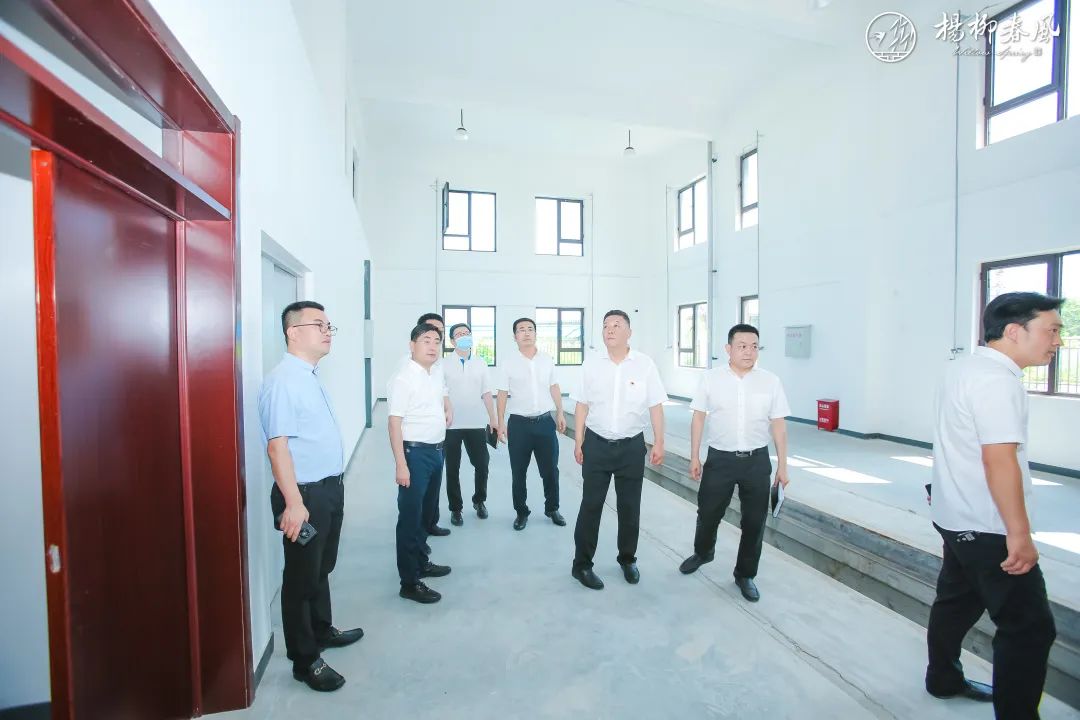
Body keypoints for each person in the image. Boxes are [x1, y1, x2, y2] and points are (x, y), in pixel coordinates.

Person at [924, 292, 1061, 717]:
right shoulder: (996, 381)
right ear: (1015, 331)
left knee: (957, 602)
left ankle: (943, 679)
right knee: (1029, 628)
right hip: (987, 525)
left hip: (954, 515)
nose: (1058, 341)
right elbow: (998, 460)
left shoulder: (963, 366)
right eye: (1052, 330)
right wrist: (1018, 534)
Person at [259, 301, 362, 692]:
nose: (327, 331)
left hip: (328, 490)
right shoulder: (283, 381)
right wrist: (293, 503)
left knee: (321, 567)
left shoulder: (309, 377)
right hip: (302, 498)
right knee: (301, 577)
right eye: (319, 325)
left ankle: (321, 629)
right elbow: (277, 447)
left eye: (329, 325)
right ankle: (305, 661)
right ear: (293, 332)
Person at [678, 324, 790, 603]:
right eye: (742, 346)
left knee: (754, 521)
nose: (748, 351)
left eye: (754, 346)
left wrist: (783, 466)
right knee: (708, 513)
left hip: (756, 461)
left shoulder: (770, 381)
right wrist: (695, 456)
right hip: (720, 459)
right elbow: (698, 417)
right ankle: (703, 552)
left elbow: (778, 424)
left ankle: (745, 574)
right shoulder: (710, 379)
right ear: (728, 349)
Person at [570, 310, 667, 590]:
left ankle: (627, 559)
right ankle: (582, 565)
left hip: (631, 447)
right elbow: (581, 405)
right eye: (605, 326)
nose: (610, 329)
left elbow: (655, 406)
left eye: (616, 325)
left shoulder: (645, 365)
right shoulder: (591, 364)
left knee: (629, 508)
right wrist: (578, 440)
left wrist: (659, 442)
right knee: (591, 506)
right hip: (597, 445)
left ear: (629, 332)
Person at [387, 322, 454, 604]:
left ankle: (421, 562)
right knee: (410, 519)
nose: (432, 346)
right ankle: (409, 582)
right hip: (414, 455)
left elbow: (440, 400)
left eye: (437, 341)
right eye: (426, 340)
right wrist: (401, 464)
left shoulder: (434, 372)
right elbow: (394, 423)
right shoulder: (404, 378)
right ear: (412, 345)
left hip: (436, 452)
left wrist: (447, 408)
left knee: (426, 515)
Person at [496, 317, 567, 530]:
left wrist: (560, 412)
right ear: (515, 336)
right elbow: (502, 393)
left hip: (545, 423)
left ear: (535, 333)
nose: (526, 332)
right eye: (521, 329)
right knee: (519, 472)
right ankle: (521, 512)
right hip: (519, 426)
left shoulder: (546, 360)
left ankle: (552, 508)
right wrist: (500, 422)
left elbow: (554, 386)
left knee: (550, 470)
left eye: (530, 329)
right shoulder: (508, 362)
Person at [443, 322, 498, 525]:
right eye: (459, 334)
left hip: (476, 423)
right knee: (452, 468)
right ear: (452, 341)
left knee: (482, 464)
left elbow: (486, 392)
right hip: (451, 425)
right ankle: (456, 508)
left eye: (467, 333)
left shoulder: (480, 363)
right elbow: (441, 392)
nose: (464, 336)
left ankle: (479, 501)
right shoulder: (443, 364)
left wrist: (493, 419)